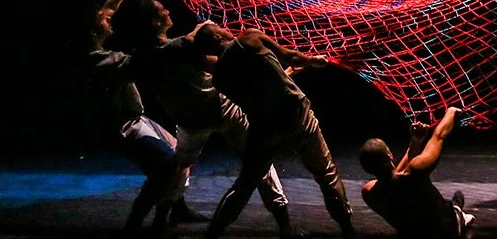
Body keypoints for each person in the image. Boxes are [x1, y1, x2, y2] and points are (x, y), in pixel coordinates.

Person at [125, 0, 292, 234]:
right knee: (258, 161)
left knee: (180, 165)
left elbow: (196, 50)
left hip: (190, 120)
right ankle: (284, 223)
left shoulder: (143, 54)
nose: (168, 10)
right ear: (154, 21)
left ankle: (162, 216)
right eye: (164, 10)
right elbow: (197, 46)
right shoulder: (178, 47)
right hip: (222, 112)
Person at [198, 26, 357, 239]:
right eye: (221, 28)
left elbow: (257, 89)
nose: (227, 28)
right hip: (295, 115)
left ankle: (213, 233)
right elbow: (290, 56)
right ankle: (347, 229)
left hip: (263, 126)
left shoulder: (219, 79)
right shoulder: (249, 38)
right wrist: (310, 61)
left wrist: (287, 74)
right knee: (325, 173)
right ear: (217, 36)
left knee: (245, 184)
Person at [88, 0, 200, 231]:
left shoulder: (97, 45)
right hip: (123, 125)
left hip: (136, 118)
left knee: (182, 155)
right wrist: (193, 40)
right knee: (166, 169)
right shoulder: (99, 62)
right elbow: (148, 60)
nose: (107, 18)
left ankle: (176, 209)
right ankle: (135, 222)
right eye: (102, 20)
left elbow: (111, 5)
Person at [359, 107, 473, 239]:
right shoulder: (414, 173)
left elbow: (394, 179)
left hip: (412, 234)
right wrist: (451, 112)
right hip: (446, 231)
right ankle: (459, 214)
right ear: (390, 154)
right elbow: (439, 136)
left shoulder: (369, 193)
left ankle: (456, 208)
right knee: (454, 204)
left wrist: (415, 141)